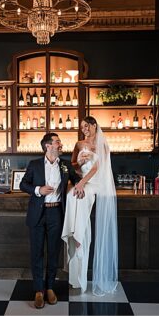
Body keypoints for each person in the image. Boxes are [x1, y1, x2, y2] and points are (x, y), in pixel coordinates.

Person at [19, 132, 83, 310]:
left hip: (57, 213)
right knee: (37, 253)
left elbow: (76, 179)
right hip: (38, 214)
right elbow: (23, 184)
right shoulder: (35, 165)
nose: (60, 145)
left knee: (54, 253)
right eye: (57, 142)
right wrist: (38, 189)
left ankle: (50, 288)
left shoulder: (65, 165)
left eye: (59, 142)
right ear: (48, 146)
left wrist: (79, 185)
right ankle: (38, 290)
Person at [62, 117, 118, 295]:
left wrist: (81, 184)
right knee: (71, 196)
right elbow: (73, 166)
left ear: (94, 125)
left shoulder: (103, 144)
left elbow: (97, 168)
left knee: (81, 195)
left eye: (87, 126)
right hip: (82, 181)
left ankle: (78, 236)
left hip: (95, 183)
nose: (84, 129)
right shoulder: (79, 144)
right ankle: (74, 233)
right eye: (81, 127)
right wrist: (80, 164)